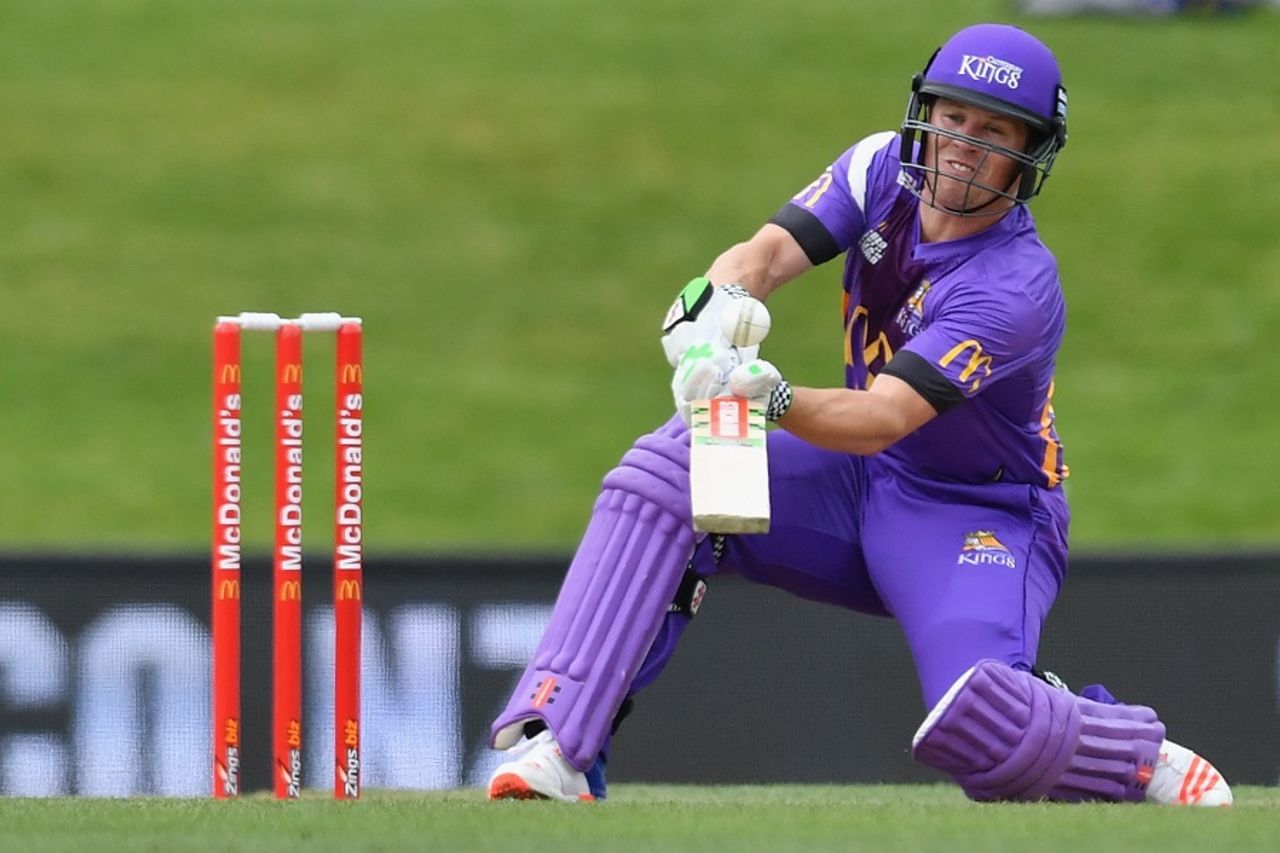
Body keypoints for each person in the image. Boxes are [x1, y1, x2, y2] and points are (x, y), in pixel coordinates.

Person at [484, 23, 1232, 806]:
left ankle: (1135, 754)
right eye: (951, 116)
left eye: (993, 132)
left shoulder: (1014, 287)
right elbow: (765, 255)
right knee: (672, 467)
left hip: (977, 512)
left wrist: (765, 394)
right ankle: (558, 742)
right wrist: (711, 304)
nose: (962, 144)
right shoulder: (882, 166)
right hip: (856, 484)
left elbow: (882, 417)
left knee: (981, 720)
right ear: (924, 112)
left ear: (1029, 155)